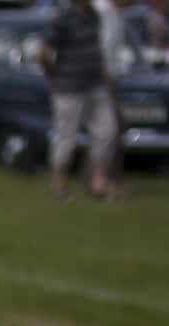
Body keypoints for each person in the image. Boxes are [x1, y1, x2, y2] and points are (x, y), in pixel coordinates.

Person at [43, 0, 120, 200]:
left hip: (95, 84)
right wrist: (54, 77)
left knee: (107, 131)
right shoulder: (63, 18)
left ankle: (97, 180)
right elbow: (43, 52)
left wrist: (106, 81)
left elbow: (98, 51)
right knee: (66, 136)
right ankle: (59, 184)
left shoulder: (94, 15)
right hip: (69, 86)